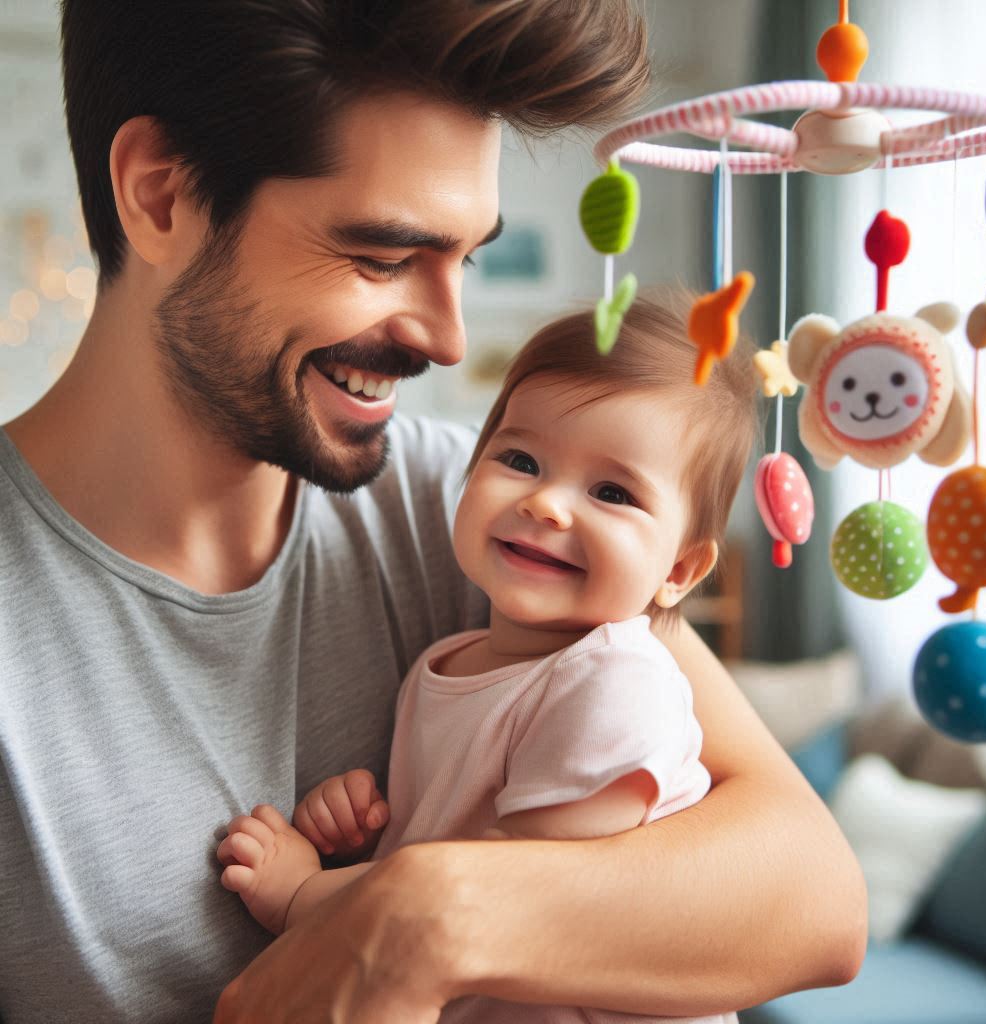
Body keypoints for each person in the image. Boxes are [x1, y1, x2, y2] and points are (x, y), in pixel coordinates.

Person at [0, 2, 866, 1022]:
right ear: (162, 194)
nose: (450, 340)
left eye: (466, 257)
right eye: (381, 256)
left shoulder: (476, 512)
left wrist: (425, 913)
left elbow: (816, 898)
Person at [217, 297, 756, 1024]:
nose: (547, 505)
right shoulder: (450, 660)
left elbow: (510, 900)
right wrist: (370, 832)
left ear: (681, 570)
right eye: (520, 460)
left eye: (612, 492)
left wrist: (303, 894)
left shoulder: (617, 682)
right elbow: (450, 841)